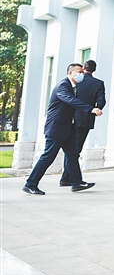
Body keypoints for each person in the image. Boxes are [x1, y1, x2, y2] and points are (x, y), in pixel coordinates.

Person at [22, 63, 103, 195]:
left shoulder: (73, 87)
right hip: (56, 127)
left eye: (82, 72)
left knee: (72, 154)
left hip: (67, 127)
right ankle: (30, 184)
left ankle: (76, 183)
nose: (81, 75)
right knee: (48, 156)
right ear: (70, 73)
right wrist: (91, 109)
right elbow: (70, 100)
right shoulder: (63, 86)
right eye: (79, 72)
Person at [60, 59, 106, 186]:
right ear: (94, 70)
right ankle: (68, 178)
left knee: (71, 149)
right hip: (85, 119)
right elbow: (101, 101)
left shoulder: (74, 81)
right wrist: (95, 109)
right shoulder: (98, 83)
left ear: (84, 68)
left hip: (70, 117)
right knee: (75, 149)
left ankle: (67, 178)